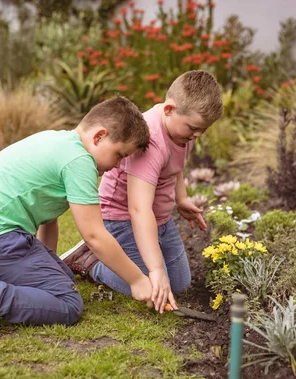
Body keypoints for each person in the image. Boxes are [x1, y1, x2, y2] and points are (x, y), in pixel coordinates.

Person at [0, 96, 155, 332]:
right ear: (99, 136)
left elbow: (47, 217)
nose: (117, 165)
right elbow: (94, 235)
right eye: (120, 155)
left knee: (63, 276)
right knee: (68, 304)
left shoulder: (59, 142)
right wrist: (137, 280)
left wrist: (47, 261)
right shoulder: (80, 160)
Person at [64, 70, 223, 313]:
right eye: (194, 128)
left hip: (159, 218)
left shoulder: (182, 130)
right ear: (169, 110)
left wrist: (181, 199)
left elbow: (175, 167)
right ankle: (91, 261)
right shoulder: (152, 141)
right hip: (123, 219)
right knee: (151, 287)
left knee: (179, 285)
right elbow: (138, 209)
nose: (198, 135)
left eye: (203, 129)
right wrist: (156, 270)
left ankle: (132, 263)